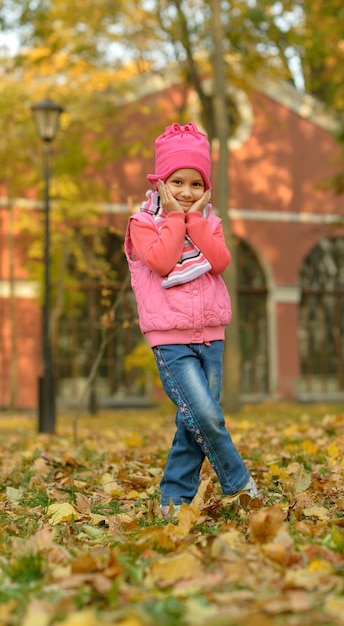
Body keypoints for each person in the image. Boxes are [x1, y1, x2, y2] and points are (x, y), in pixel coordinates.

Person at [124, 121, 258, 516]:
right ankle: (240, 484)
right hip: (170, 341)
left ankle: (173, 500)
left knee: (192, 424)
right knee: (205, 416)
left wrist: (195, 220)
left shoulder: (209, 223)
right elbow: (163, 262)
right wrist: (173, 218)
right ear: (161, 182)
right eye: (177, 182)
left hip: (210, 337)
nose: (186, 192)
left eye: (196, 184)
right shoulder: (143, 224)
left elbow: (219, 261)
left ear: (206, 189)